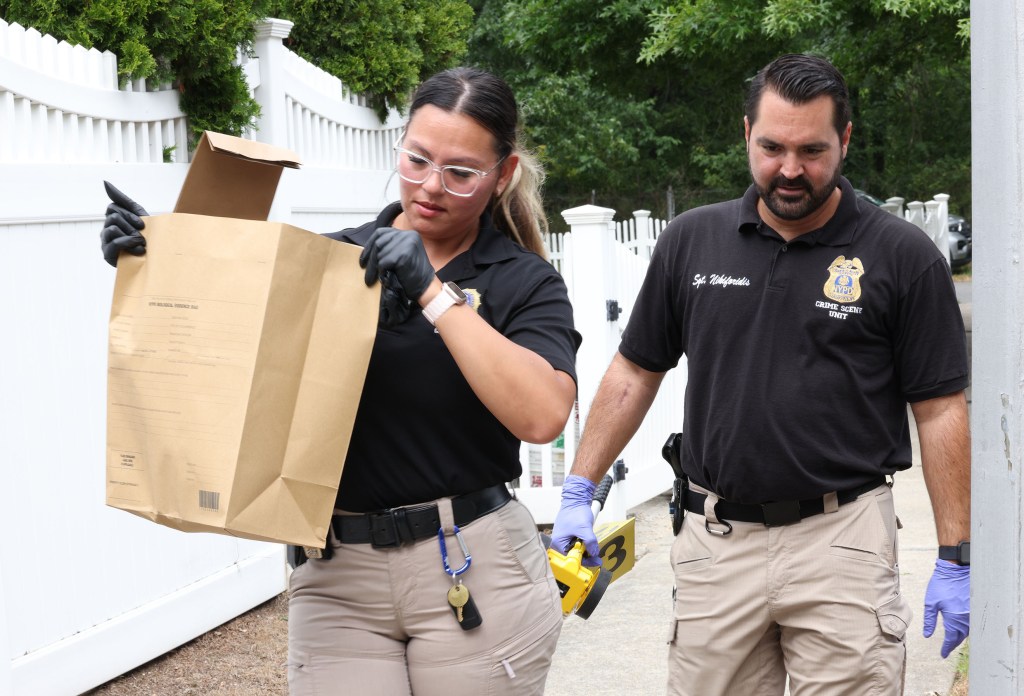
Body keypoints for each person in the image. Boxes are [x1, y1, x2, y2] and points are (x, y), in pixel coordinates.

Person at [100, 67, 581, 695]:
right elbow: (223, 359)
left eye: (460, 173)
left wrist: (433, 295)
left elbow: (542, 415)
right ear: (400, 145)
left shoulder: (524, 282)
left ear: (503, 174)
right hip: (337, 576)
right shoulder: (328, 263)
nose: (431, 186)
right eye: (417, 160)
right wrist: (154, 265)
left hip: (473, 563)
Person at [550, 53, 970, 695]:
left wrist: (955, 556)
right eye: (772, 147)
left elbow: (940, 409)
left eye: (813, 150)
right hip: (717, 544)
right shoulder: (692, 242)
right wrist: (579, 489)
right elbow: (636, 370)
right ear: (746, 133)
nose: (791, 169)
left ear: (846, 140)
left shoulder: (902, 257)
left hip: (844, 542)